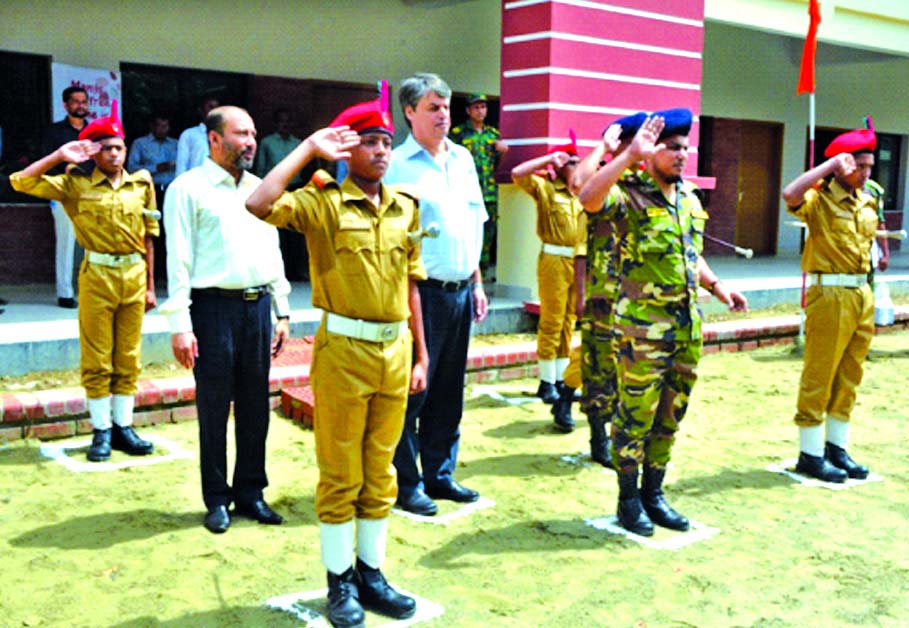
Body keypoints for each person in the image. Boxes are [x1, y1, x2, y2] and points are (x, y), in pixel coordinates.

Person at [245, 83, 425, 628]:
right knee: (340, 474)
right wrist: (307, 149)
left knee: (381, 473)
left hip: (395, 350)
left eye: (385, 143)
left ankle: (372, 572)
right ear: (347, 151)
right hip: (343, 350)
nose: (380, 151)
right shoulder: (322, 204)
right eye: (368, 142)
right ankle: (339, 580)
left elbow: (412, 283)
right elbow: (259, 202)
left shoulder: (405, 208)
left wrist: (422, 356)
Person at [578, 109, 747, 536]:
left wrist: (717, 286)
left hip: (686, 328)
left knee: (670, 416)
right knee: (635, 416)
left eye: (685, 147)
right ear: (651, 151)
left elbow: (691, 254)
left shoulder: (688, 198)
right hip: (643, 333)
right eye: (672, 147)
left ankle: (655, 494)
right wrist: (624, 156)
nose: (682, 155)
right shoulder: (629, 194)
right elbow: (587, 197)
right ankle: (628, 499)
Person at [159, 106, 291, 534]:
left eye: (254, 133)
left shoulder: (259, 189)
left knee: (256, 408)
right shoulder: (187, 189)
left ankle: (251, 491)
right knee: (214, 409)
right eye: (241, 134)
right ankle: (216, 498)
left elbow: (272, 252)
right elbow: (177, 259)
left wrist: (282, 308)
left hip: (256, 309)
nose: (251, 141)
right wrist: (181, 324)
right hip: (211, 310)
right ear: (214, 139)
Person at [11, 101, 158, 461]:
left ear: (126, 149)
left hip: (134, 275)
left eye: (119, 147)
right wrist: (60, 154)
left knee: (128, 356)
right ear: (94, 151)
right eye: (106, 148)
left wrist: (152, 286)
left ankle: (123, 426)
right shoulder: (74, 184)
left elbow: (149, 235)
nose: (114, 154)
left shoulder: (141, 183)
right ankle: (101, 430)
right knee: (97, 358)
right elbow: (21, 182)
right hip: (97, 275)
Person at [385, 73, 488, 517]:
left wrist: (478, 282)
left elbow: (474, 221)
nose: (444, 114)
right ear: (409, 112)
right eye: (433, 107)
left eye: (446, 106)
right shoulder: (395, 165)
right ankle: (407, 483)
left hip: (461, 291)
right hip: (418, 293)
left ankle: (440, 475)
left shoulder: (463, 158)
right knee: (415, 389)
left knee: (448, 389)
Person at [781, 125, 879, 483]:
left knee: (850, 374)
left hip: (860, 293)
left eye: (870, 167)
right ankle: (810, 453)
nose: (866, 173)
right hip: (830, 293)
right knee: (820, 374)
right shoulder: (818, 199)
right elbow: (789, 193)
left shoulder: (867, 200)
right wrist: (826, 168)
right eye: (859, 166)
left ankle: (837, 447)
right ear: (841, 164)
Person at [569, 113, 647, 466]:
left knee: (631, 372)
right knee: (598, 371)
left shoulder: (646, 183)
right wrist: (604, 147)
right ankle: (599, 437)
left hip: (639, 299)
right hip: (605, 297)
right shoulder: (606, 181)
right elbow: (578, 184)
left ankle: (625, 438)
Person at [510, 132, 583, 431]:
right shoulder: (546, 188)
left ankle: (561, 380)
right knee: (552, 320)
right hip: (553, 258)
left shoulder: (582, 192)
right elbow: (517, 174)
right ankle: (545, 381)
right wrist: (548, 159)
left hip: (577, 261)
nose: (578, 166)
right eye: (572, 161)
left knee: (569, 321)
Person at [42, 86, 91, 308]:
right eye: (75, 102)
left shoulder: (94, 132)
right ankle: (65, 293)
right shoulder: (54, 132)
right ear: (65, 105)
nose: (80, 105)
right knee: (66, 244)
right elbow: (45, 163)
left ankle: (92, 290)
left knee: (94, 244)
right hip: (64, 194)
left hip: (93, 195)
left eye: (84, 101)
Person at [449, 93, 508, 278]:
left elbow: (498, 164)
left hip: (489, 194)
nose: (480, 110)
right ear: (468, 110)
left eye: (483, 107)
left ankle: (481, 277)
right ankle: (467, 277)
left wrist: (503, 152)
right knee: (467, 235)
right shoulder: (458, 134)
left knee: (487, 238)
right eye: (476, 107)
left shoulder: (493, 135)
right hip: (465, 193)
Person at [254, 108, 308, 280]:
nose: (285, 124)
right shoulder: (267, 143)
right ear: (276, 123)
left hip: (295, 189)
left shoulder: (298, 143)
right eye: (281, 121)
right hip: (274, 192)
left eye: (288, 121)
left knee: (296, 234)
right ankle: (280, 273)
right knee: (277, 234)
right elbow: (260, 170)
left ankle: (297, 271)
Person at [127, 112, 178, 195]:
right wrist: (155, 168)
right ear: (152, 126)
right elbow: (131, 168)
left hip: (172, 189)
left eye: (165, 126)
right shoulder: (140, 143)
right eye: (159, 126)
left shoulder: (176, 144)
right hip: (149, 189)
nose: (162, 130)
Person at [175, 96, 220, 176]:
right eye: (211, 107)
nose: (214, 111)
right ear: (200, 110)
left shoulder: (224, 135)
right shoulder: (189, 135)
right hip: (195, 185)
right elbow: (181, 167)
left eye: (217, 107)